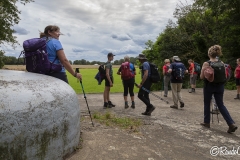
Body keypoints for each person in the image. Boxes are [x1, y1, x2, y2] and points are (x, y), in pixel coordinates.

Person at [200, 45, 237, 133]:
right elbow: (225, 75)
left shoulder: (207, 63)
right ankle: (231, 124)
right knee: (220, 104)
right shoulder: (222, 63)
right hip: (220, 86)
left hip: (209, 86)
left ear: (209, 53)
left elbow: (201, 77)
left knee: (207, 103)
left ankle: (206, 122)